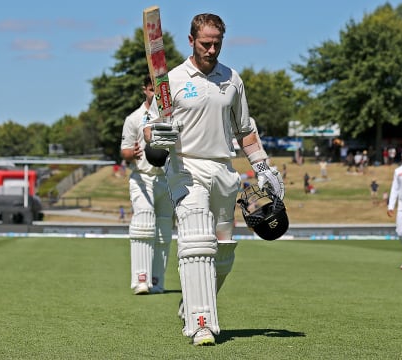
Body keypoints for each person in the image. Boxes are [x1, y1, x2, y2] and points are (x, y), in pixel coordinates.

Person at [144, 13, 284, 346]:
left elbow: (245, 130)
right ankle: (201, 323)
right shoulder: (172, 80)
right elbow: (151, 130)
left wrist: (263, 167)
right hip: (185, 167)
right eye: (205, 43)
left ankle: (190, 305)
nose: (211, 49)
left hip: (223, 169)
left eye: (217, 43)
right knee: (196, 240)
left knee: (223, 250)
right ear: (191, 41)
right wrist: (158, 136)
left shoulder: (232, 79)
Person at [120, 75, 174, 295]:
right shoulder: (134, 118)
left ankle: (156, 280)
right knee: (143, 223)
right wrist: (131, 154)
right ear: (145, 90)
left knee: (163, 231)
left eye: (158, 91)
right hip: (142, 176)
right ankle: (140, 279)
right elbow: (124, 151)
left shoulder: (172, 116)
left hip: (167, 178)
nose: (155, 95)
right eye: (152, 90)